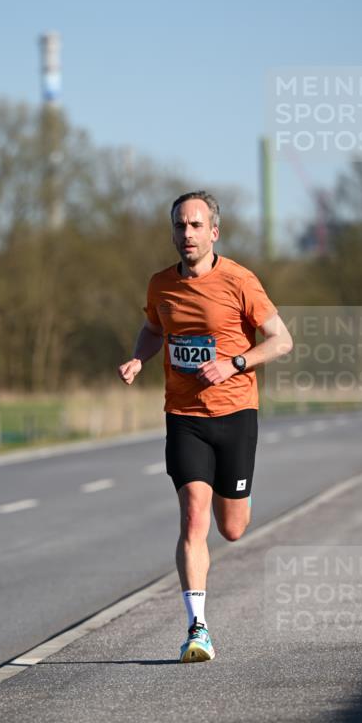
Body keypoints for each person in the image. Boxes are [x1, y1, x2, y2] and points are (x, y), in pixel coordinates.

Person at [118, 191, 293, 663]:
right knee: (193, 517)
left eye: (196, 225)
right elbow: (155, 329)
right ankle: (198, 628)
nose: (187, 234)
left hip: (236, 415)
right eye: (179, 225)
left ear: (214, 231)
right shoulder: (160, 286)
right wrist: (139, 357)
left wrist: (234, 362)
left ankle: (237, 492)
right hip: (185, 418)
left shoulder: (239, 281)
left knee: (232, 528)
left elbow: (281, 341)